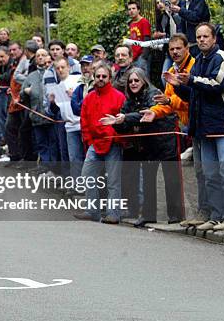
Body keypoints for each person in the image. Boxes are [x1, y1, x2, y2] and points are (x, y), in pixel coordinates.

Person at [171, 23, 224, 231]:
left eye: (206, 36)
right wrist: (178, 86)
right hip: (204, 128)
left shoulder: (222, 57)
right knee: (210, 174)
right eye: (198, 37)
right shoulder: (198, 62)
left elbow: (218, 84)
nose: (202, 40)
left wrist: (191, 79)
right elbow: (194, 94)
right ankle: (216, 216)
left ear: (214, 38)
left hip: (223, 126)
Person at [111, 67, 185, 226]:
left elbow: (144, 114)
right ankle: (148, 215)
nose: (133, 83)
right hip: (148, 145)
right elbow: (125, 119)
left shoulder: (153, 93)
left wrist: (125, 118)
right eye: (130, 81)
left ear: (144, 80)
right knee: (148, 181)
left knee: (171, 181)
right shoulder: (129, 98)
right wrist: (116, 122)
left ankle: (176, 216)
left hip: (166, 141)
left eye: (136, 80)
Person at [74, 61, 126, 224]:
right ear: (93, 77)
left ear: (110, 77)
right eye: (98, 76)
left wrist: (116, 138)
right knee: (87, 175)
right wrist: (89, 141)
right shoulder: (89, 98)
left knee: (113, 180)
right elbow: (84, 121)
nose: (101, 79)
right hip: (94, 144)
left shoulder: (119, 97)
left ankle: (113, 213)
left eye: (104, 76)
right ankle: (92, 210)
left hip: (113, 143)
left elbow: (123, 120)